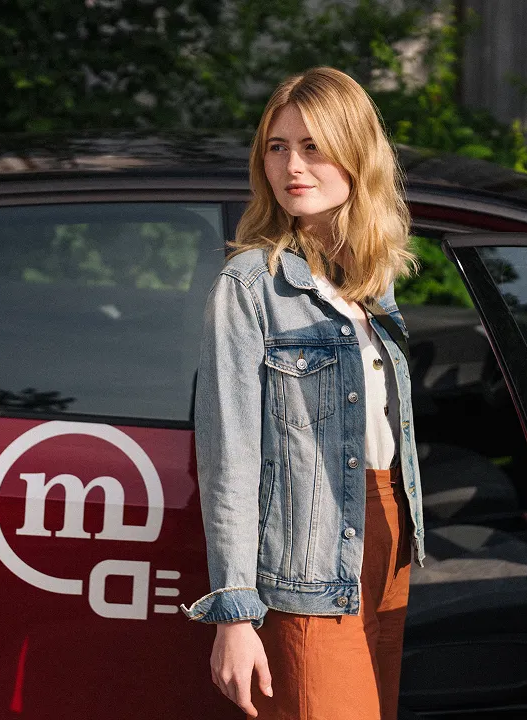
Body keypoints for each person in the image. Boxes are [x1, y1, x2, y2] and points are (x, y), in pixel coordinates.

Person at [181, 66, 425, 720]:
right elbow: (229, 456)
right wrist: (235, 613)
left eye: (313, 146)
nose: (293, 165)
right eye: (278, 146)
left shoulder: (372, 281)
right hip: (311, 556)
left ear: (355, 153)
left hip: (388, 543)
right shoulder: (250, 285)